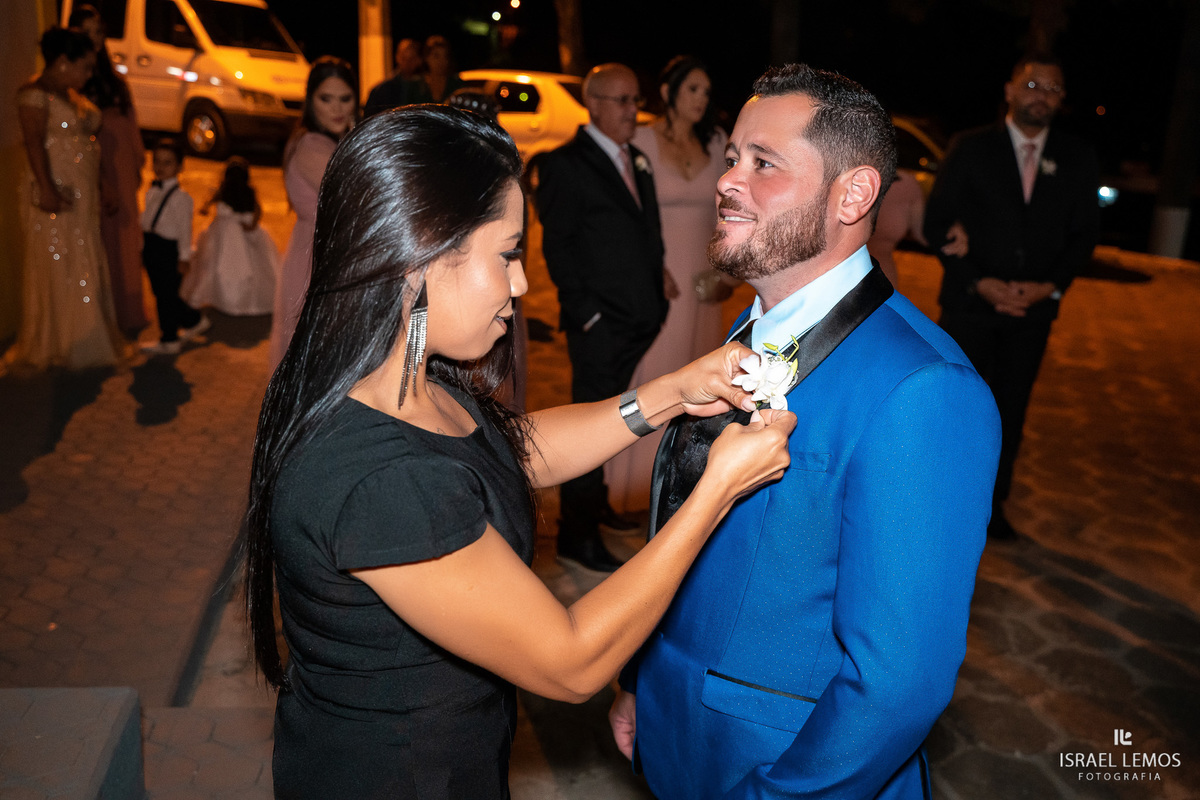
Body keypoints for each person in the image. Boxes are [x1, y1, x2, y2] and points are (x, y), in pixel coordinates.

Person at [244, 104, 796, 799]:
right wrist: (718, 489)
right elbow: (569, 661)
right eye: (506, 254)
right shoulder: (379, 479)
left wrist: (667, 395)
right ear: (420, 256)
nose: (521, 285)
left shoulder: (407, 375)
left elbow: (508, 454)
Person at [610, 64, 1002, 799]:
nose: (730, 180)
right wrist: (643, 681)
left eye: (764, 164)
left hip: (780, 770)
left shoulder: (926, 393)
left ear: (852, 194)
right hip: (679, 733)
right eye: (732, 158)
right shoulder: (756, 327)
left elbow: (897, 685)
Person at [923, 52, 1100, 541]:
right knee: (957, 407)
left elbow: (1084, 235)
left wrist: (1051, 284)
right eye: (1032, 84)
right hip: (970, 306)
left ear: (1062, 100)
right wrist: (977, 279)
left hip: (1033, 311)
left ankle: (991, 510)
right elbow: (937, 222)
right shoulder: (970, 148)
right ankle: (940, 503)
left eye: (1052, 88)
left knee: (1010, 411)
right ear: (1009, 89)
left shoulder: (1078, 158)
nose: (1040, 95)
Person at [535, 63, 669, 571]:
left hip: (639, 316)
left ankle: (598, 507)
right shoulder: (564, 164)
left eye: (636, 99)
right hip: (599, 325)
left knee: (615, 420)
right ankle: (577, 533)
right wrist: (586, 314)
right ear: (593, 104)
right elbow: (559, 248)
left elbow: (645, 231)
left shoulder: (635, 158)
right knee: (589, 425)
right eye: (623, 101)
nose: (634, 110)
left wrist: (658, 295)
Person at [607, 56, 732, 515]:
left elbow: (731, 214)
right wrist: (646, 267)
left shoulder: (717, 143)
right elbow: (624, 215)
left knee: (700, 383)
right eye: (692, 89)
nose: (701, 99)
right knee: (652, 377)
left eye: (706, 91)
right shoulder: (639, 140)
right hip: (658, 283)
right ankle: (630, 491)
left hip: (704, 285)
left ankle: (682, 487)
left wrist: (727, 273)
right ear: (668, 92)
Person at [7, 26, 125, 372]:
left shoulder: (71, 95)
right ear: (61, 62)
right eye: (84, 66)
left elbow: (88, 145)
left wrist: (104, 183)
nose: (89, 75)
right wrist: (46, 188)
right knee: (57, 261)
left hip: (82, 193)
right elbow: (33, 143)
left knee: (82, 257)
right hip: (55, 190)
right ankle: (58, 340)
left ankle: (87, 332)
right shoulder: (34, 94)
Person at [268, 56, 357, 371]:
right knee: (316, 367)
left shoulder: (331, 142)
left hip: (326, 256)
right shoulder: (311, 146)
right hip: (315, 262)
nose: (337, 109)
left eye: (345, 98)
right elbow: (362, 193)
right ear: (310, 101)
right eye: (325, 99)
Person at [69, 4, 148, 337]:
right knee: (96, 236)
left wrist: (137, 158)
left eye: (98, 31)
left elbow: (129, 120)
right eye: (86, 32)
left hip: (121, 161)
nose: (94, 39)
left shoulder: (114, 79)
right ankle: (98, 316)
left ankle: (128, 311)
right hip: (90, 161)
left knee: (126, 235)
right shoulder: (72, 78)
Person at [181, 157, 278, 316]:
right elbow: (257, 211)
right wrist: (252, 225)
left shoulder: (225, 190)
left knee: (216, 265)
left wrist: (206, 207)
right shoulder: (244, 191)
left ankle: (224, 297)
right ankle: (238, 298)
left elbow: (211, 202)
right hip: (234, 234)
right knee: (242, 265)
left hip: (223, 236)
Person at [139, 138, 209, 356]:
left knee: (165, 297)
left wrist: (184, 257)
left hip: (168, 250)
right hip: (152, 246)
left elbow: (184, 231)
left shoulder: (182, 198)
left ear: (179, 167)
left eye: (167, 163)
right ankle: (194, 320)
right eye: (157, 161)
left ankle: (169, 339)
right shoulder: (152, 190)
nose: (160, 167)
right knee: (162, 292)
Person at [362, 37, 432, 117]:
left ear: (419, 60)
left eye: (411, 58)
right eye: (404, 58)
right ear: (397, 57)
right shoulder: (382, 90)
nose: (407, 63)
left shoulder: (427, 87)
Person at [421, 35, 464, 103]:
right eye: (436, 56)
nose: (441, 61)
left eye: (445, 56)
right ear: (427, 57)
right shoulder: (417, 85)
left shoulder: (456, 84)